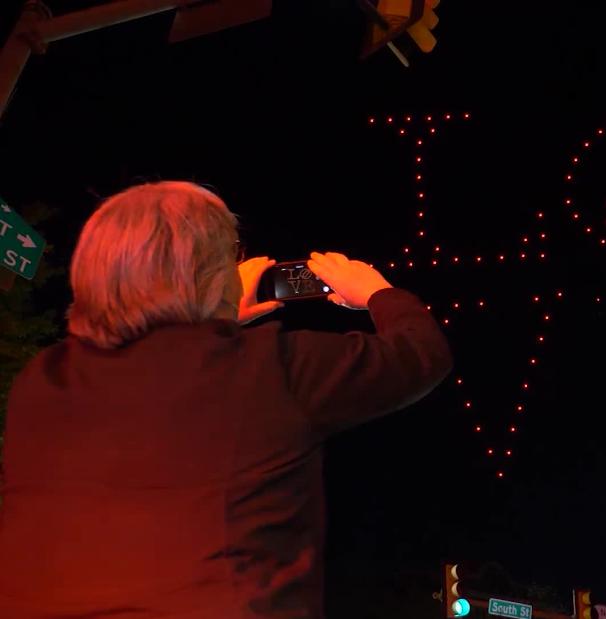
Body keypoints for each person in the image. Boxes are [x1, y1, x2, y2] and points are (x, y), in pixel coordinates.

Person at [0, 181, 453, 618]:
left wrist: (216, 322)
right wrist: (375, 291)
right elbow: (421, 356)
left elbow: (158, 378)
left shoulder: (41, 382)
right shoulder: (268, 370)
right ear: (206, 275)